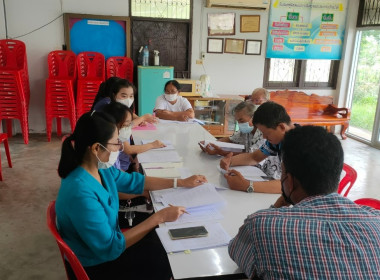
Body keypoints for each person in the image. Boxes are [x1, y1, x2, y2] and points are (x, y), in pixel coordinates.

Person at [55, 111, 207, 280]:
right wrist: (159, 217)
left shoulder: (99, 169)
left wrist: (180, 182)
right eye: (116, 143)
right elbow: (110, 247)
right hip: (97, 264)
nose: (120, 147)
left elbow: (135, 181)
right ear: (97, 148)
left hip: (106, 242)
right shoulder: (80, 192)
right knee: (164, 259)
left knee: (161, 237)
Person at [228, 126, 380, 279]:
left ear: (290, 181)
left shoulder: (261, 226)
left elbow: (235, 251)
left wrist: (275, 208)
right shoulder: (376, 219)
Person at [220, 102, 297, 194]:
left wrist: (247, 185)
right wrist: (230, 161)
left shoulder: (300, 145)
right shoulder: (278, 139)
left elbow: (290, 185)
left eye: (266, 133)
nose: (264, 137)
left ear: (281, 127)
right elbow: (254, 157)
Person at [101, 102, 164, 172]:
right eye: (126, 125)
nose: (129, 128)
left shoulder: (115, 141)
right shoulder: (108, 154)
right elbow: (117, 175)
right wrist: (152, 145)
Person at [199, 101, 264, 155]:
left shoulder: (263, 134)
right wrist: (210, 144)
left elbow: (251, 156)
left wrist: (220, 152)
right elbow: (230, 139)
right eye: (237, 121)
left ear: (253, 117)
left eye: (241, 120)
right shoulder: (245, 131)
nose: (240, 124)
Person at [91, 77, 157, 127]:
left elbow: (128, 114)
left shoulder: (117, 104)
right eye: (124, 96)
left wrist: (139, 119)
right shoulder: (107, 105)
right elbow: (122, 128)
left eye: (131, 96)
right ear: (114, 94)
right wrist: (142, 118)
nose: (128, 99)